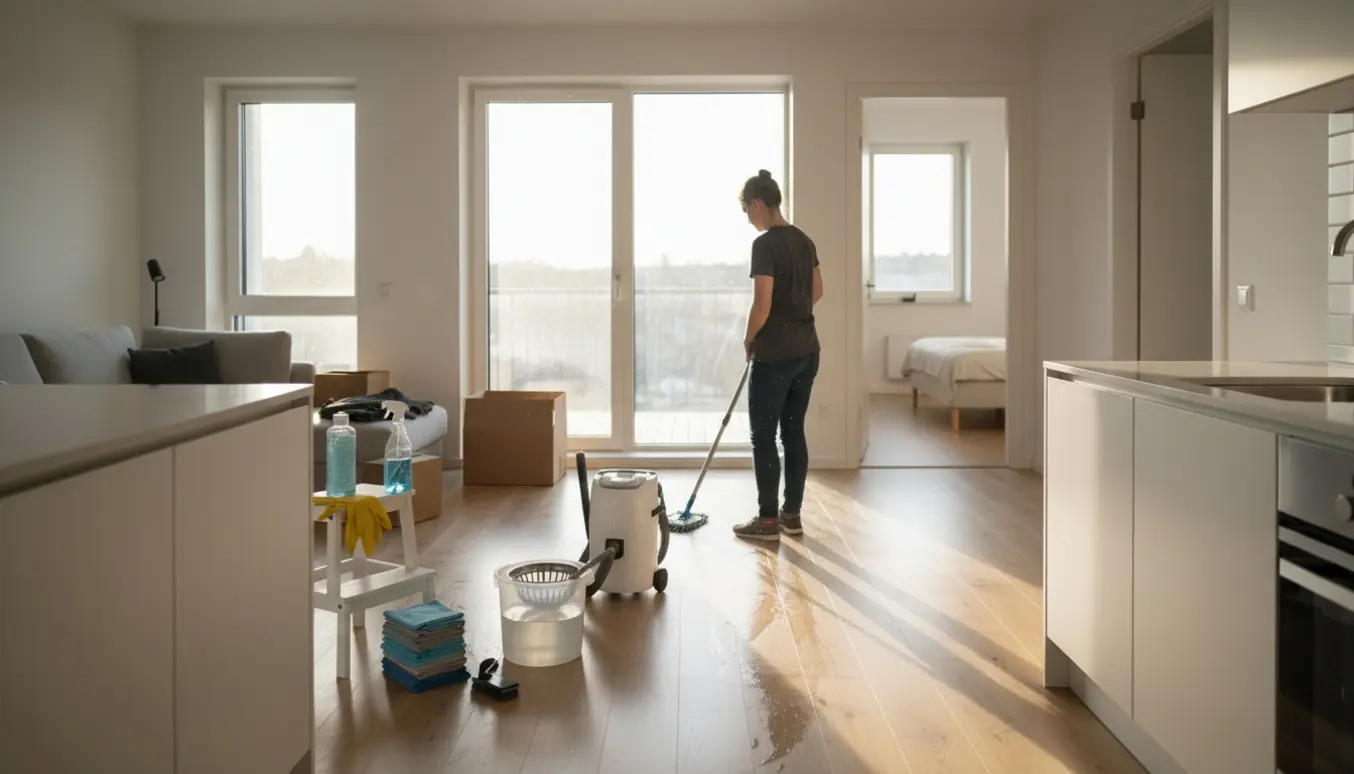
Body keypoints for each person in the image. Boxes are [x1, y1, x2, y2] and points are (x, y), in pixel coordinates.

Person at [732, 169, 824, 542]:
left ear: (757, 204)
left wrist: (749, 337)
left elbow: (762, 303)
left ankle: (767, 521)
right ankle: (791, 516)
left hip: (775, 357)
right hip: (807, 350)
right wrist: (793, 316)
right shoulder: (804, 240)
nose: (748, 219)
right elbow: (818, 290)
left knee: (764, 437)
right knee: (794, 432)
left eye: (746, 211)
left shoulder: (766, 245)